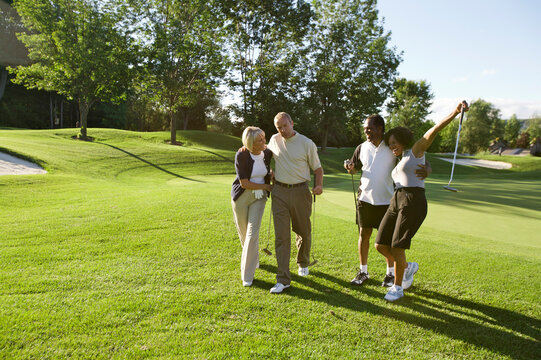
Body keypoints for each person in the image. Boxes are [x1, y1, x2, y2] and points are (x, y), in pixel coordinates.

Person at [375, 101, 469, 302]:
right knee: (381, 244)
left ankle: (397, 288)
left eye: (395, 143)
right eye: (389, 144)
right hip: (396, 199)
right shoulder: (399, 160)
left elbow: (433, 130)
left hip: (412, 200)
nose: (392, 147)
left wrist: (454, 112)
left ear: (403, 141)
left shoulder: (416, 151)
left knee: (397, 247)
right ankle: (407, 267)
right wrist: (429, 168)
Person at [344, 115, 431, 288]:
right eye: (365, 129)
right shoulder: (361, 147)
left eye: (369, 128)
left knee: (388, 241)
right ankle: (363, 271)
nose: (366, 131)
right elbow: (354, 168)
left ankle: (390, 274)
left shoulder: (391, 146)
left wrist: (428, 168)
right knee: (364, 234)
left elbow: (416, 159)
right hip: (365, 198)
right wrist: (350, 168)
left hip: (388, 200)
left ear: (380, 128)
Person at [267, 112, 323, 294]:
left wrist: (319, 185)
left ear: (292, 122)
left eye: (285, 125)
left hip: (301, 191)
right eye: (279, 127)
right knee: (281, 236)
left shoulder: (307, 143)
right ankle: (283, 279)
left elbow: (318, 169)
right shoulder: (273, 140)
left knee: (303, 231)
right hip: (279, 192)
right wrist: (270, 171)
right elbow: (265, 158)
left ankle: (303, 262)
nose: (282, 130)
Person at [231, 127, 273, 287]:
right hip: (242, 196)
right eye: (260, 140)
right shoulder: (242, 154)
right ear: (250, 143)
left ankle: (247, 275)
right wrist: (267, 187)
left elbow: (280, 157)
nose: (264, 142)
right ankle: (252, 260)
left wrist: (272, 173)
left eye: (264, 138)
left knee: (252, 233)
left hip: (259, 197)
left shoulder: (268, 152)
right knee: (243, 234)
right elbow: (244, 183)